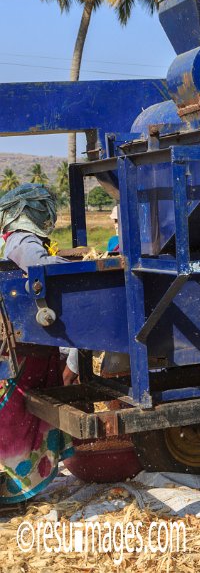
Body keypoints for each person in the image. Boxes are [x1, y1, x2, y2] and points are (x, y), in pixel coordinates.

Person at [0, 184, 74, 505]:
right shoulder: (24, 241)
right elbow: (39, 266)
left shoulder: (15, 239)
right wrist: (77, 268)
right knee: (17, 421)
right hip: (25, 350)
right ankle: (12, 490)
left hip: (24, 346)